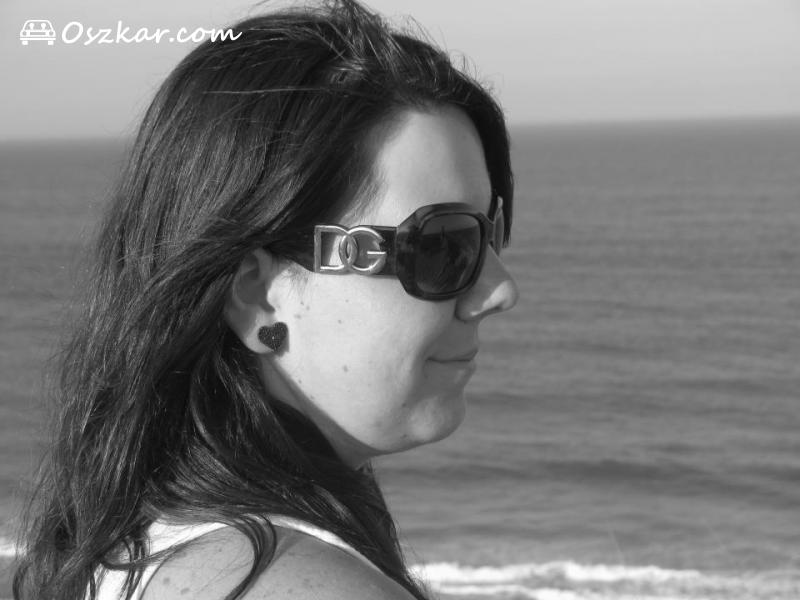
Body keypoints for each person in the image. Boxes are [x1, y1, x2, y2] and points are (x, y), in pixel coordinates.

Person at [13, 1, 518, 598]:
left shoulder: (137, 539)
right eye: (441, 246)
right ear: (257, 294)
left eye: (489, 231)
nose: (500, 290)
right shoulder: (309, 586)